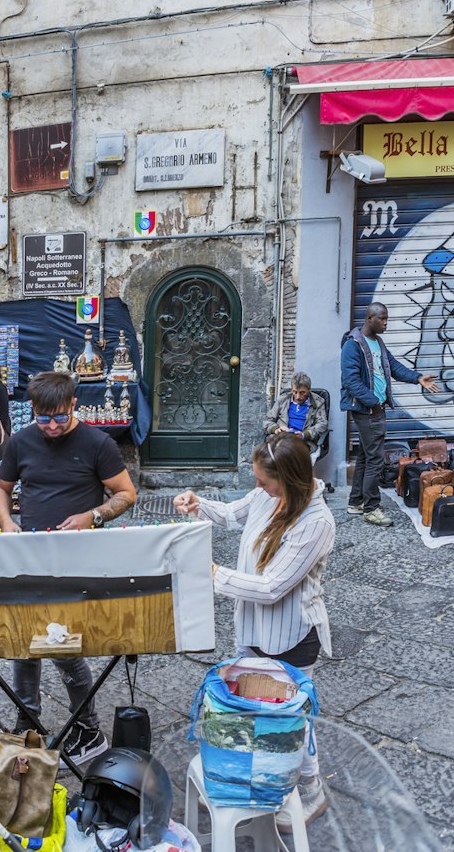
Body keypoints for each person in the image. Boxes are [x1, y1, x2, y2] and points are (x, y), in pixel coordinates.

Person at [174, 434, 333, 822]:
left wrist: (211, 573)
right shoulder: (269, 495)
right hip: (255, 628)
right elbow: (232, 513)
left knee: (292, 719)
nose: (258, 487)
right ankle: (255, 782)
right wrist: (199, 507)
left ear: (291, 480)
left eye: (264, 481)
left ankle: (311, 790)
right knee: (250, 711)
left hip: (291, 636)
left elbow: (272, 587)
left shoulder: (316, 522)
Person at [0, 371, 137, 763]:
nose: (51, 427)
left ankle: (88, 728)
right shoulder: (21, 442)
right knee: (23, 643)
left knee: (63, 645)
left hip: (75, 561)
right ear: (32, 411)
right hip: (29, 557)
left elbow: (126, 494)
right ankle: (27, 722)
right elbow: (0, 491)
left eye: (58, 417)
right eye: (42, 418)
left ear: (73, 406)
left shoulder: (97, 444)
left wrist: (94, 515)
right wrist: (6, 523)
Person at [340, 303, 441, 526]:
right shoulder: (353, 345)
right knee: (376, 459)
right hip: (367, 410)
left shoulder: (377, 343)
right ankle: (371, 508)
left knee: (367, 456)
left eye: (386, 318)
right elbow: (351, 381)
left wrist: (418, 378)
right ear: (369, 318)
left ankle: (356, 501)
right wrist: (374, 402)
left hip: (374, 409)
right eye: (382, 318)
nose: (386, 323)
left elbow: (394, 367)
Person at [264, 371, 329, 452]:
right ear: (291, 390)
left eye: (302, 393)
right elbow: (267, 421)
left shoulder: (318, 402)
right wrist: (276, 429)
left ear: (309, 390)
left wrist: (305, 434)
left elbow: (322, 424)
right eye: (295, 392)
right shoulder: (282, 400)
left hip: (304, 441)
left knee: (290, 453)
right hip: (281, 439)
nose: (298, 397)